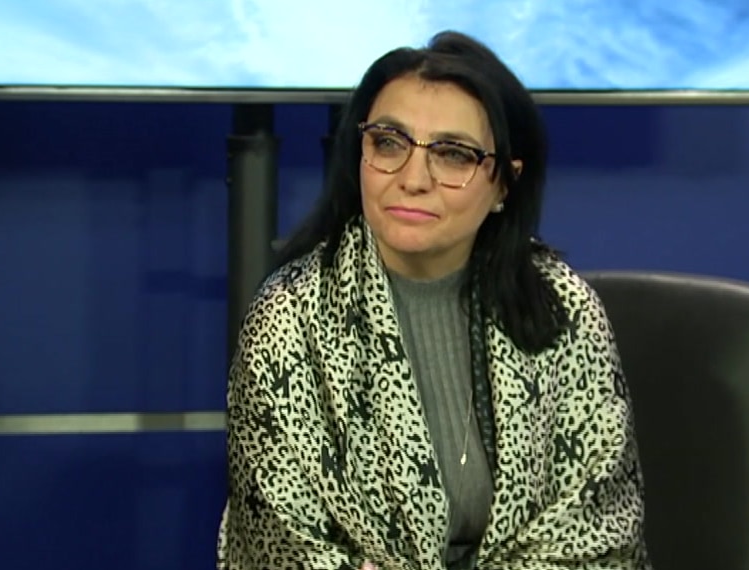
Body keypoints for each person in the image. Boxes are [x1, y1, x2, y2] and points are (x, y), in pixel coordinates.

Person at [217, 30, 650, 570]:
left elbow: (597, 533)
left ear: (504, 185)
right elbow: (281, 544)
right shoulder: (290, 316)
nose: (413, 179)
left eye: (452, 154)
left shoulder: (562, 308)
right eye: (389, 143)